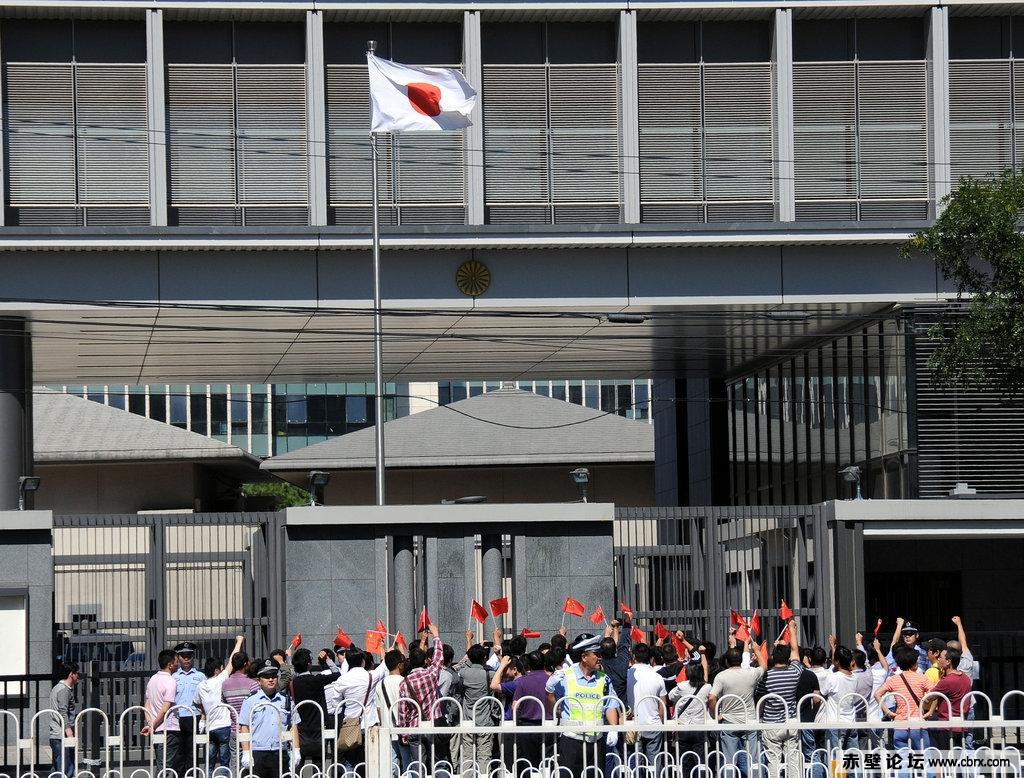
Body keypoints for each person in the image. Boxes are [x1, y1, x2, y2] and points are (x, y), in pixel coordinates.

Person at [545, 633, 622, 778]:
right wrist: (549, 692)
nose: (600, 657)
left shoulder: (604, 679)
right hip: (572, 741)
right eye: (596, 654)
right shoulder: (565, 676)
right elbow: (555, 709)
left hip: (596, 742)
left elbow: (610, 704)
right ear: (584, 657)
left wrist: (613, 728)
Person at [325, 645, 389, 773]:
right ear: (363, 661)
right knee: (371, 762)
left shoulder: (342, 679)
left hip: (350, 725)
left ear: (347, 661)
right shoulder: (371, 676)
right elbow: (384, 666)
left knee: (350, 762)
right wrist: (385, 650)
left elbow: (335, 704)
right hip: (370, 723)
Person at [708, 640, 765, 777]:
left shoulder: (721, 676)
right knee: (753, 759)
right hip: (749, 720)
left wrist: (715, 714)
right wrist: (757, 650)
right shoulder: (750, 673)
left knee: (729, 760)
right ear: (741, 660)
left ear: (726, 662)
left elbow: (711, 698)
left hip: (729, 721)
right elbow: (763, 666)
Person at [755, 619, 802, 778]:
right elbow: (795, 650)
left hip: (771, 724)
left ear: (773, 657)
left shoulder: (766, 676)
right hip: (791, 722)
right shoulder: (795, 672)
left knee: (772, 761)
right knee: (793, 759)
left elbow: (761, 699)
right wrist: (792, 629)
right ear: (788, 658)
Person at [239, 659, 301, 778]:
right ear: (259, 681)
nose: (271, 679)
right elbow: (244, 727)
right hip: (258, 752)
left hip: (280, 752)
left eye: (273, 676)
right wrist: (246, 752)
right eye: (266, 676)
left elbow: (293, 725)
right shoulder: (250, 701)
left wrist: (296, 750)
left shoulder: (286, 700)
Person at [194, 636, 245, 776]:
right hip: (224, 725)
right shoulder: (220, 680)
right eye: (221, 668)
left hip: (210, 727)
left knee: (209, 761)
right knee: (224, 761)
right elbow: (232, 661)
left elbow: (196, 703)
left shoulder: (201, 685)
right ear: (217, 670)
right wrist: (239, 642)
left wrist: (205, 710)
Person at [396, 622, 444, 770]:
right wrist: (436, 636)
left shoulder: (404, 683)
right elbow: (438, 658)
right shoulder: (431, 674)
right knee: (438, 763)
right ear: (425, 661)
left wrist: (404, 732)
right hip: (432, 724)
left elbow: (402, 711)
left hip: (414, 728)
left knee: (418, 765)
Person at [291, 647, 342, 770]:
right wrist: (329, 660)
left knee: (299, 763)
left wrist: (290, 656)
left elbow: (291, 670)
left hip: (300, 727)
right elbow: (337, 673)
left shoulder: (295, 682)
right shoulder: (317, 679)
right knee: (318, 764)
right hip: (318, 726)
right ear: (309, 664)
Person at [875, 646, 934, 752]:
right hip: (918, 723)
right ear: (914, 663)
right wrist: (930, 711)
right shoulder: (921, 678)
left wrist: (888, 712)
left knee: (903, 760)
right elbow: (935, 694)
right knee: (924, 758)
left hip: (900, 725)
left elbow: (877, 694)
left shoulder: (894, 679)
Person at [452, 638, 497, 774]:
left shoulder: (463, 673)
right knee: (484, 756)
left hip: (467, 720)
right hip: (484, 720)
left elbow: (458, 667)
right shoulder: (489, 674)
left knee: (467, 755)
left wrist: (469, 643)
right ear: (484, 657)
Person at [668, 648, 711, 778]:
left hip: (683, 726)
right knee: (701, 760)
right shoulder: (707, 687)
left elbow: (670, 696)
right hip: (699, 726)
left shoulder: (681, 686)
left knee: (684, 760)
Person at [626, 642, 667, 769]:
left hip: (633, 724)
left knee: (636, 763)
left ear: (633, 657)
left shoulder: (628, 674)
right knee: (655, 762)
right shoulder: (657, 677)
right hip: (653, 724)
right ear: (651, 658)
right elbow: (662, 705)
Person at [168, 641, 207, 776]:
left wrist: (203, 717)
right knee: (178, 753)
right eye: (183, 655)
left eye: (189, 656)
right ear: (178, 657)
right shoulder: (173, 677)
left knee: (192, 751)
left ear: (193, 657)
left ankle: (192, 775)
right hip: (177, 717)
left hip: (194, 716)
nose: (186, 658)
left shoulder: (200, 676)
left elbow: (204, 699)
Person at [923, 646, 973, 750]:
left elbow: (929, 698)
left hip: (946, 726)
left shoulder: (947, 681)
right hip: (961, 725)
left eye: (941, 657)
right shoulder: (965, 678)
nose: (938, 659)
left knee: (945, 760)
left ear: (948, 661)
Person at [376, 649, 412, 777]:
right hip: (404, 730)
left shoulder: (380, 684)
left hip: (387, 729)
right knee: (408, 764)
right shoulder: (405, 682)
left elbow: (379, 709)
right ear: (399, 664)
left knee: (391, 765)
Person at [142, 649, 178, 768]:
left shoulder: (153, 679)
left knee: (160, 763)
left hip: (156, 729)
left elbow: (147, 704)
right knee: (166, 766)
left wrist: (150, 723)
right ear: (170, 664)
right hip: (168, 729)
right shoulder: (170, 681)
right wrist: (153, 725)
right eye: (176, 661)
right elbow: (165, 710)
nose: (177, 664)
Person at [222, 649, 259, 764]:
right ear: (245, 664)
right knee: (251, 763)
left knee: (235, 762)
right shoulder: (252, 684)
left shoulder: (225, 684)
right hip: (250, 730)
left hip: (234, 729)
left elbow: (223, 703)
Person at [48, 661, 79, 778]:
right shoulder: (64, 690)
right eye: (76, 673)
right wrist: (69, 732)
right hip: (61, 736)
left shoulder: (58, 688)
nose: (78, 676)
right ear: (71, 674)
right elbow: (63, 712)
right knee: (66, 769)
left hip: (56, 734)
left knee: (58, 769)